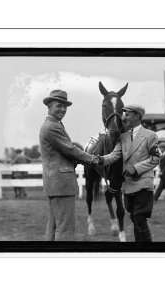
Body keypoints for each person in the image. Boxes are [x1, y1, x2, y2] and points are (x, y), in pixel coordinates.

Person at [39, 89, 99, 241]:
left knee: (53, 226)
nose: (63, 109)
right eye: (59, 106)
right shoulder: (52, 126)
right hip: (61, 184)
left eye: (65, 106)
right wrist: (93, 159)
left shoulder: (54, 124)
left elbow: (66, 151)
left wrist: (80, 156)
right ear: (49, 106)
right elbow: (70, 149)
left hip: (55, 183)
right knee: (65, 229)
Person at [99, 105, 159, 242]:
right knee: (135, 218)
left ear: (138, 116)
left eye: (128, 113)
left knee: (139, 217)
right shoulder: (123, 137)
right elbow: (114, 155)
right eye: (124, 113)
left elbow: (156, 158)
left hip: (143, 184)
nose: (124, 116)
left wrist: (136, 168)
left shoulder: (151, 135)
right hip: (128, 186)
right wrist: (99, 159)